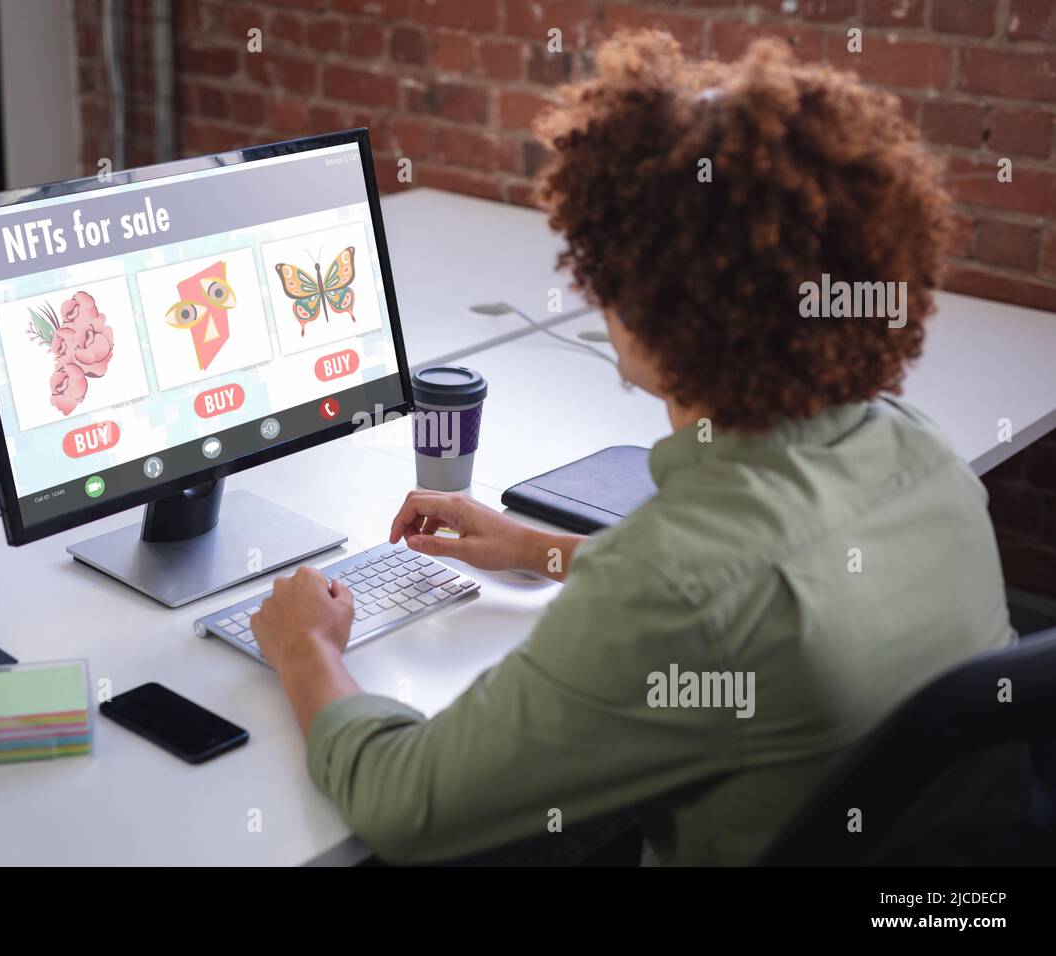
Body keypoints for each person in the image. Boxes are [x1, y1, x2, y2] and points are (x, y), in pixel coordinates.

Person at [249, 31, 1015, 865]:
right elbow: (758, 595)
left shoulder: (676, 587)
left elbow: (405, 804)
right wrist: (536, 550)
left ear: (648, 304)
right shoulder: (918, 453)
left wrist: (307, 649)